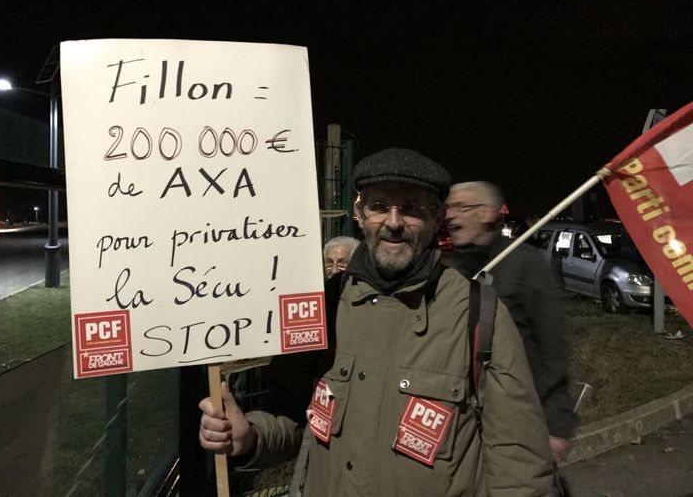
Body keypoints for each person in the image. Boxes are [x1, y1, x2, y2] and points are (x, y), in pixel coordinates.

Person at [199, 149, 554, 496]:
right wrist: (249, 436)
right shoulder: (321, 306)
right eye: (379, 206)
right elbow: (290, 418)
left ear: (437, 218)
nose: (394, 223)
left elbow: (519, 461)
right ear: (359, 213)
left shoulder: (479, 313)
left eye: (412, 209)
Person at [444, 181, 578, 465]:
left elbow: (552, 346)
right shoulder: (450, 270)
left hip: (518, 415)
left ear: (487, 213)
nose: (450, 215)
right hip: (463, 419)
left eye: (461, 207)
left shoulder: (525, 264)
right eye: (448, 208)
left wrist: (555, 424)